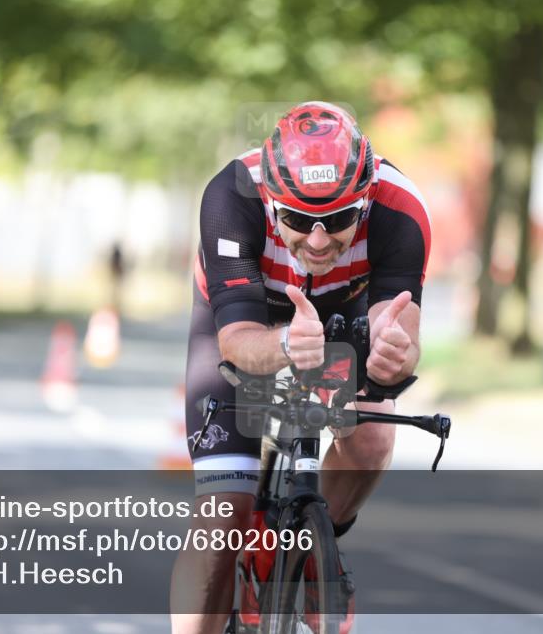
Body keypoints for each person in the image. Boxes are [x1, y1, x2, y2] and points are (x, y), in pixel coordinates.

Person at [171, 102, 431, 633]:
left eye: (338, 220)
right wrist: (288, 342)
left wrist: (391, 353)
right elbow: (237, 342)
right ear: (271, 201)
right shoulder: (231, 197)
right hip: (248, 319)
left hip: (344, 313)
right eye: (295, 220)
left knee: (373, 439)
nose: (317, 241)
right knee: (222, 517)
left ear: (365, 200)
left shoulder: (399, 209)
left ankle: (310, 549)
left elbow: (398, 336)